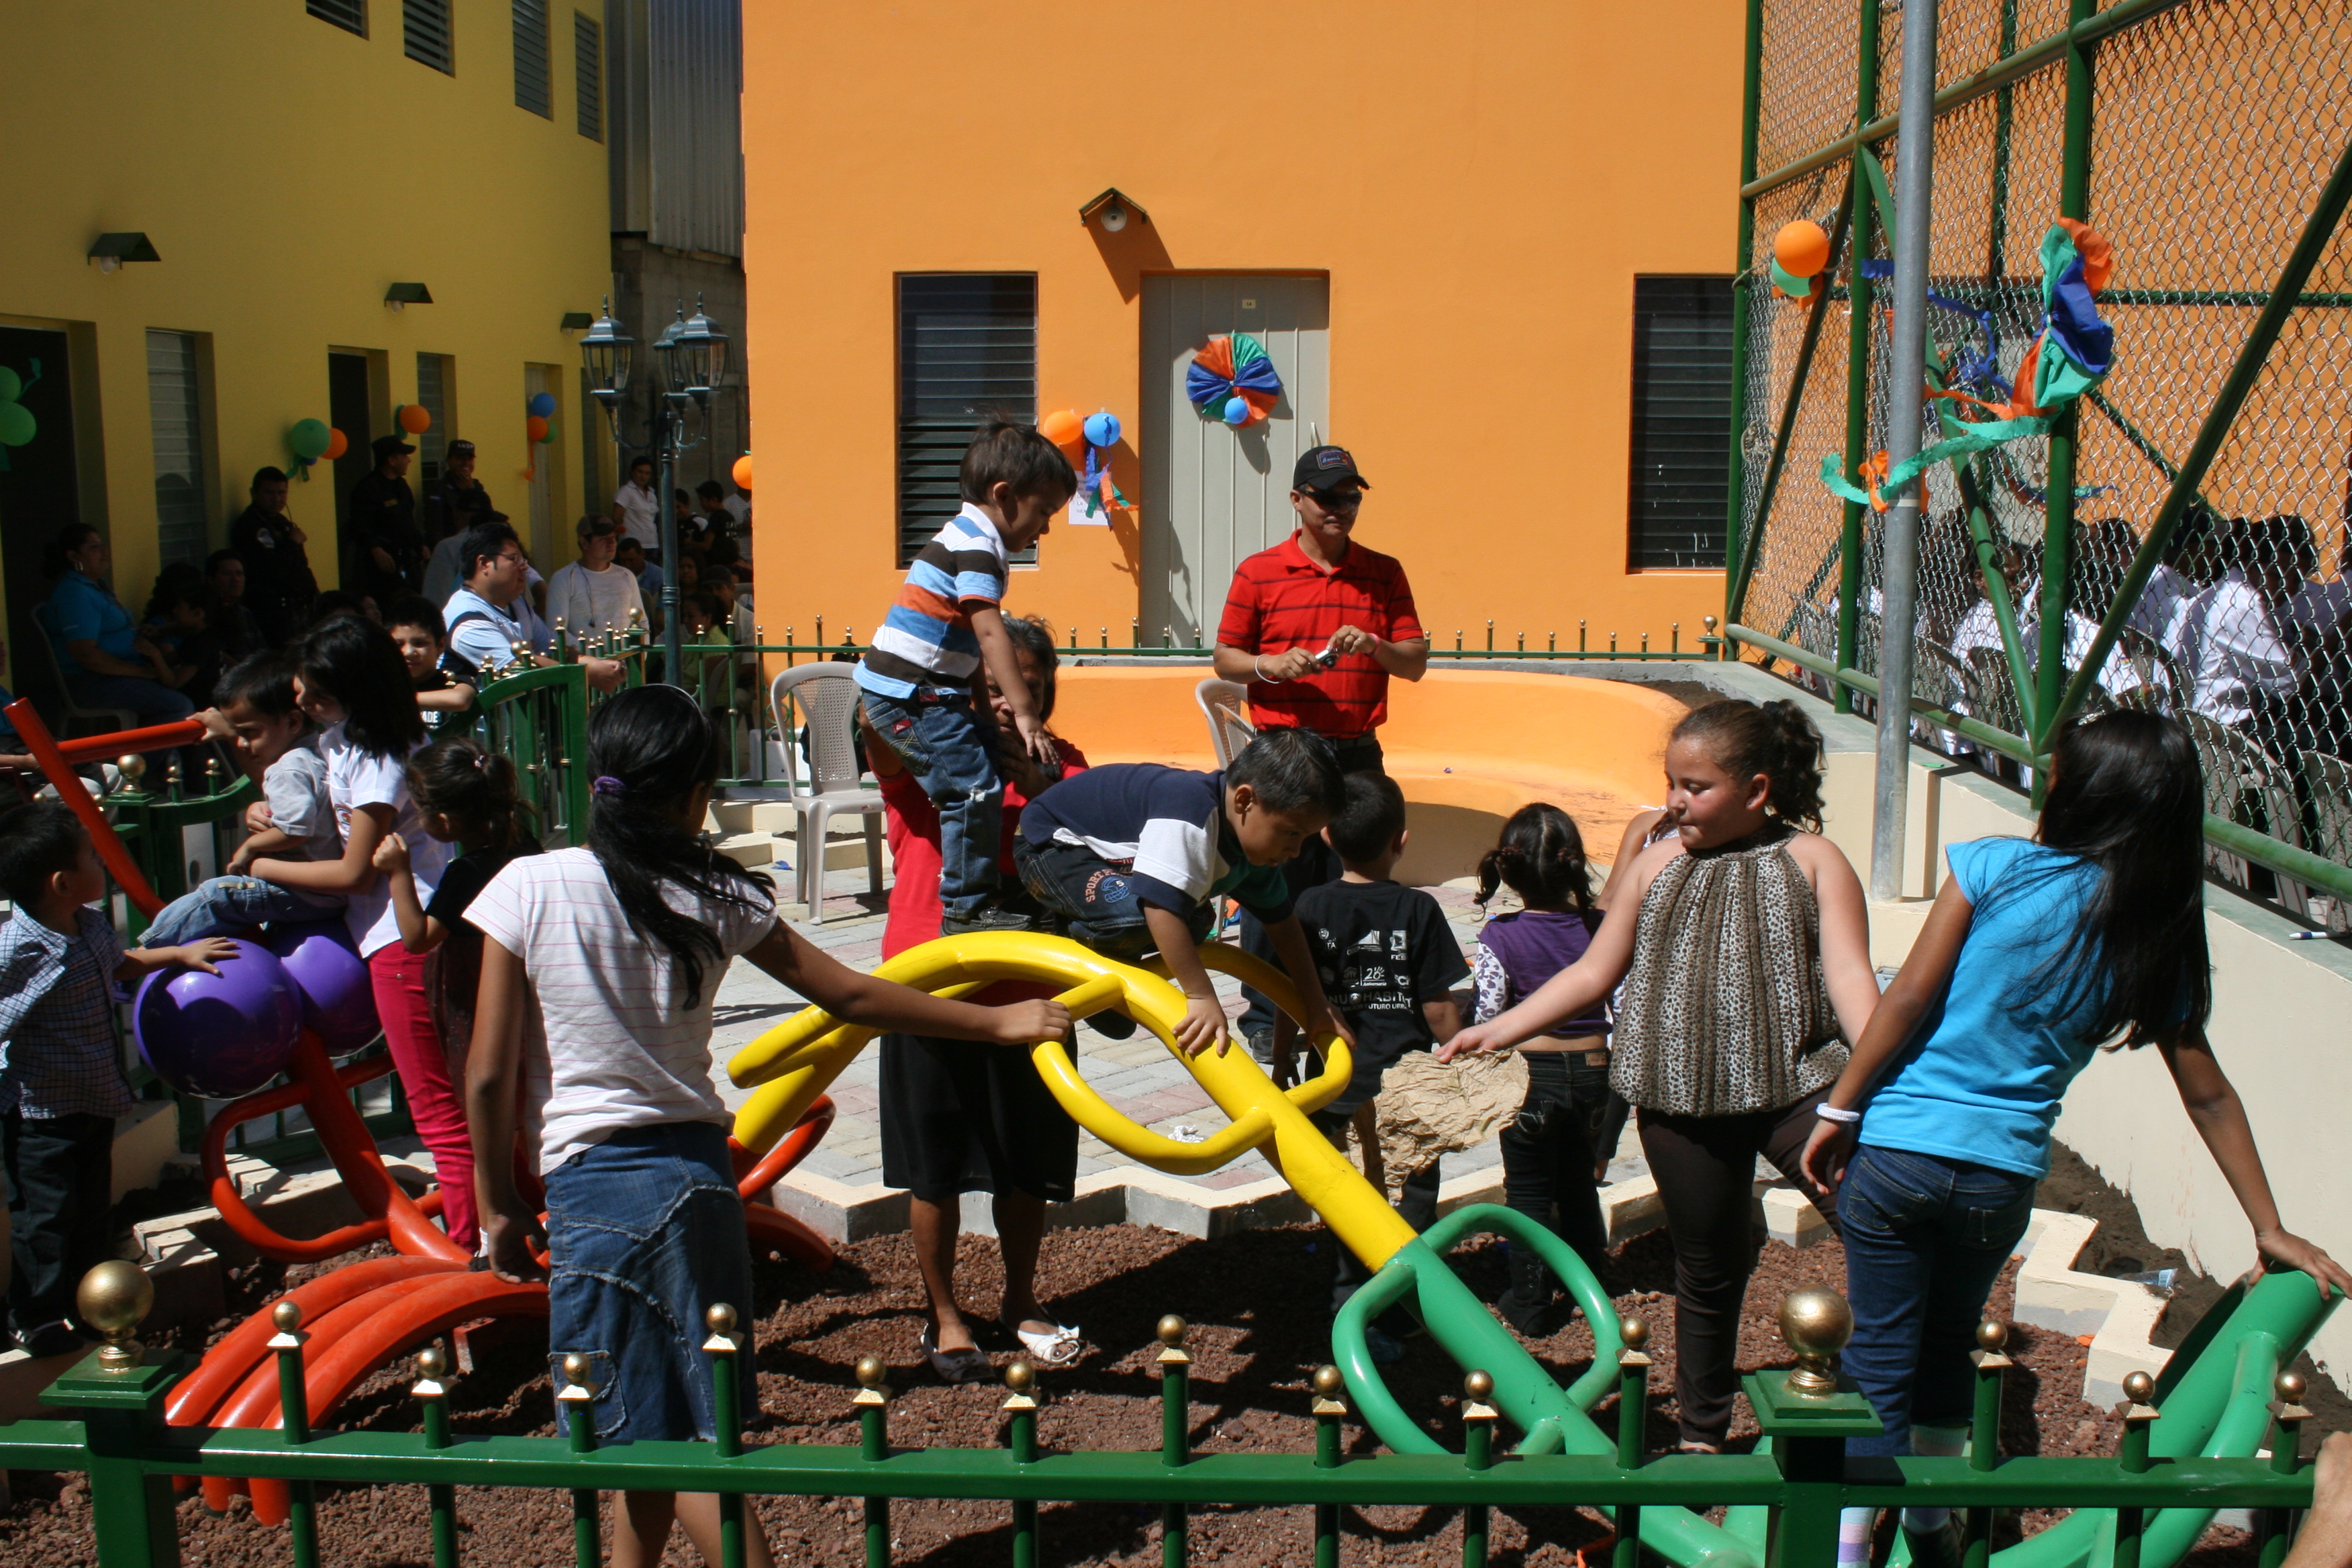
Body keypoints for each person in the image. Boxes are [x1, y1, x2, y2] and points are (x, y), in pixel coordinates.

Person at [464, 685, 1073, 1568]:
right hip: (703, 1187)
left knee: (640, 1438)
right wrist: (999, 1022)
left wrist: (496, 1205)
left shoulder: (527, 886)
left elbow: (487, 1073)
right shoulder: (715, 891)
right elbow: (852, 995)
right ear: (692, 796)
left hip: (599, 1192)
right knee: (671, 1429)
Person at [1800, 711, 2352, 1568]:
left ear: (2078, 791)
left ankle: (1842, 1552)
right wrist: (2267, 1223)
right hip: (2001, 1178)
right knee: (1948, 1346)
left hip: (1903, 1149)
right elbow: (2206, 1090)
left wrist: (1839, 1109)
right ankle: (1928, 1530)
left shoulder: (1992, 869)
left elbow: (1905, 999)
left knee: (1877, 1355)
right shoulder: (2154, 924)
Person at [1442, 699, 1879, 1455]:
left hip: (1798, 1088)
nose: (1675, 800)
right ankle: (1703, 1434)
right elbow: (1592, 970)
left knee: (1876, 1222)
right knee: (1707, 1269)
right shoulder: (1655, 863)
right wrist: (1497, 1028)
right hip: (1684, 1100)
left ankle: (1889, 1390)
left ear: (1757, 789)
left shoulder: (1812, 859)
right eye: (1671, 781)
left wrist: (1877, 1078)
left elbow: (1847, 973)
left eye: (1696, 786)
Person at [865, 615, 1089, 1381]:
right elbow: (877, 723)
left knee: (1027, 1168)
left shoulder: (1065, 766)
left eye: (1015, 687)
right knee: (934, 1170)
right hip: (931, 993)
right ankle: (946, 1312)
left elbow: (1096, 855)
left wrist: (1044, 788)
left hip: (1034, 998)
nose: (998, 702)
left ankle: (1020, 1297)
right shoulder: (930, 759)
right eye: (985, 685)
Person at [243, 616, 471, 1246]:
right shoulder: (346, 739)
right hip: (399, 932)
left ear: (358, 691)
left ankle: (475, 1243)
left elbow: (352, 872)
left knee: (436, 1107)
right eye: (302, 690)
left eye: (317, 694)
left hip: (403, 939)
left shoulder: (379, 761)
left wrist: (255, 861)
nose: (303, 702)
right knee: (458, 1098)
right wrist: (258, 811)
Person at [1210, 446, 1430, 1058]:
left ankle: (1348, 999)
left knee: (1356, 880)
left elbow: (1414, 664)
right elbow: (1225, 657)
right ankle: (1264, 1012)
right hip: (1286, 752)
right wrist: (1269, 664)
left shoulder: (1383, 572)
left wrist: (1377, 646)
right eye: (1328, 497)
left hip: (1357, 751)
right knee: (1271, 882)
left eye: (1351, 497)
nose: (1341, 509)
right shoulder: (1259, 572)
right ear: (1297, 500)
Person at [0, 803, 232, 1355]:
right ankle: (33, 1315)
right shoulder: (19, 950)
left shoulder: (90, 924)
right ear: (61, 882)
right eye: (90, 857)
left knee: (89, 1212)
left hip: (93, 1102)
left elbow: (116, 962)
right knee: (45, 1219)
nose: (102, 861)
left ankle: (87, 1305)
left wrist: (176, 953)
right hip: (40, 1117)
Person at [1015, 726, 1357, 1059]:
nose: (1296, 851)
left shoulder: (1254, 855)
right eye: (1291, 834)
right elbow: (1160, 908)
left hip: (1112, 863)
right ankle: (1068, 933)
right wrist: (1200, 995)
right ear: (1245, 800)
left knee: (1195, 922)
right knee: (1142, 915)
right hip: (1053, 846)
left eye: (1305, 838)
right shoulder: (1191, 814)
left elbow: (1284, 926)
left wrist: (1317, 1004)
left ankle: (1102, 958)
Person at [855, 419, 1069, 934]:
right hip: (911, 695)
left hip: (925, 691)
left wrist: (977, 707)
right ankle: (967, 907)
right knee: (972, 790)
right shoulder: (978, 550)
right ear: (1004, 494)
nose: (1044, 529)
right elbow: (990, 635)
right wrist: (1025, 714)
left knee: (982, 770)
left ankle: (973, 901)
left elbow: (968, 650)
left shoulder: (965, 539)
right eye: (1043, 512)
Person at [1278, 772, 1466, 1360]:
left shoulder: (1308, 905)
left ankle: (1345, 1303)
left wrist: (1284, 1059)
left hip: (1334, 1083)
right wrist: (1458, 1063)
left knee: (1345, 1196)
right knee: (1410, 1198)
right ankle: (1400, 1313)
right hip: (1405, 1085)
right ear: (1401, 840)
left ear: (1327, 837)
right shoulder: (1419, 909)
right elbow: (1437, 1007)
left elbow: (1291, 993)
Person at [1467, 803, 1614, 1334]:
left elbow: (1487, 1012)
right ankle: (1592, 1287)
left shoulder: (1501, 936)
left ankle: (1528, 1302)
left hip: (1533, 1077)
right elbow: (1619, 1001)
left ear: (1508, 870)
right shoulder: (1602, 928)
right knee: (1579, 1184)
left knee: (1527, 1191)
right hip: (1596, 1072)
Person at [139, 652, 348, 945]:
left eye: (249, 732)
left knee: (216, 895)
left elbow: (295, 829)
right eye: (236, 733)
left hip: (303, 894)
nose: (242, 743)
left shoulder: (288, 767)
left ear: (292, 722)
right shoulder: (321, 750)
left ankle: (145, 951)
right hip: (324, 894)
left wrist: (251, 846)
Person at [373, 736, 541, 1075]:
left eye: (421, 811)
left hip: (478, 993)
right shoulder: (523, 843)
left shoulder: (465, 873)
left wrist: (398, 871)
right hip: (526, 983)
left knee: (485, 1073)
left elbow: (419, 938)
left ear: (444, 821)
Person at [441, 520, 624, 693]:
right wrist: (588, 673)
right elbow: (520, 667)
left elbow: (552, 649)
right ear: (484, 564)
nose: (524, 568)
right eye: (514, 559)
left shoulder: (517, 603)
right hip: (483, 725)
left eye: (524, 562)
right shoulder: (466, 618)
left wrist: (595, 663)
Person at [40, 524, 193, 728]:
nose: (105, 552)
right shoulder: (75, 594)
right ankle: (139, 761)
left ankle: (173, 758)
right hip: (92, 682)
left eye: (102, 545)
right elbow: (85, 654)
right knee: (178, 707)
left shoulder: (97, 587)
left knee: (194, 686)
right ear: (74, 557)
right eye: (94, 547)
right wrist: (141, 672)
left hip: (118, 675)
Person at [230, 467, 321, 643]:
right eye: (269, 493)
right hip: (273, 611)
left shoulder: (282, 522)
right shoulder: (250, 525)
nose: (277, 499)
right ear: (254, 493)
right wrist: (293, 543)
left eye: (282, 493)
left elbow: (301, 564)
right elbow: (273, 569)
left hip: (300, 608)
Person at [545, 515, 647, 648]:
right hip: (587, 665)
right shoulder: (564, 578)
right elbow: (556, 630)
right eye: (603, 539)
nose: (611, 543)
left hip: (625, 661)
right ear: (584, 543)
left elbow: (641, 621)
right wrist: (595, 661)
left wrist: (638, 660)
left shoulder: (626, 576)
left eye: (613, 538)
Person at [348, 434, 426, 605]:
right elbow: (360, 525)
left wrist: (420, 544)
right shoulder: (368, 488)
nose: (409, 460)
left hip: (406, 560)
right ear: (391, 460)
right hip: (380, 565)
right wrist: (376, 550)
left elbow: (408, 520)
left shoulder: (401, 486)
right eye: (404, 456)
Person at [383, 597, 477, 728]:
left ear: (440, 645)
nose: (409, 652)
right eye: (398, 644)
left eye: (420, 643)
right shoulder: (384, 684)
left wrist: (396, 699)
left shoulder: (453, 681)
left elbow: (460, 699)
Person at [420, 440, 495, 551]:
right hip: (451, 549)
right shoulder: (439, 489)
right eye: (460, 458)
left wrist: (473, 492)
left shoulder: (477, 487)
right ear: (449, 460)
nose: (466, 463)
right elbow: (435, 529)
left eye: (469, 459)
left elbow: (489, 518)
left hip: (477, 548)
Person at [205, 551, 268, 664]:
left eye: (239, 574)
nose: (235, 579)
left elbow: (262, 653)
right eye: (227, 574)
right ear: (211, 579)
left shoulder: (245, 613)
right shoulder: (205, 614)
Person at [612, 454, 660, 556]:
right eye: (640, 472)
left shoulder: (652, 493)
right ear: (633, 472)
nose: (643, 476)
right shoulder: (626, 491)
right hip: (633, 545)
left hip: (652, 543)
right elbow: (617, 517)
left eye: (647, 473)